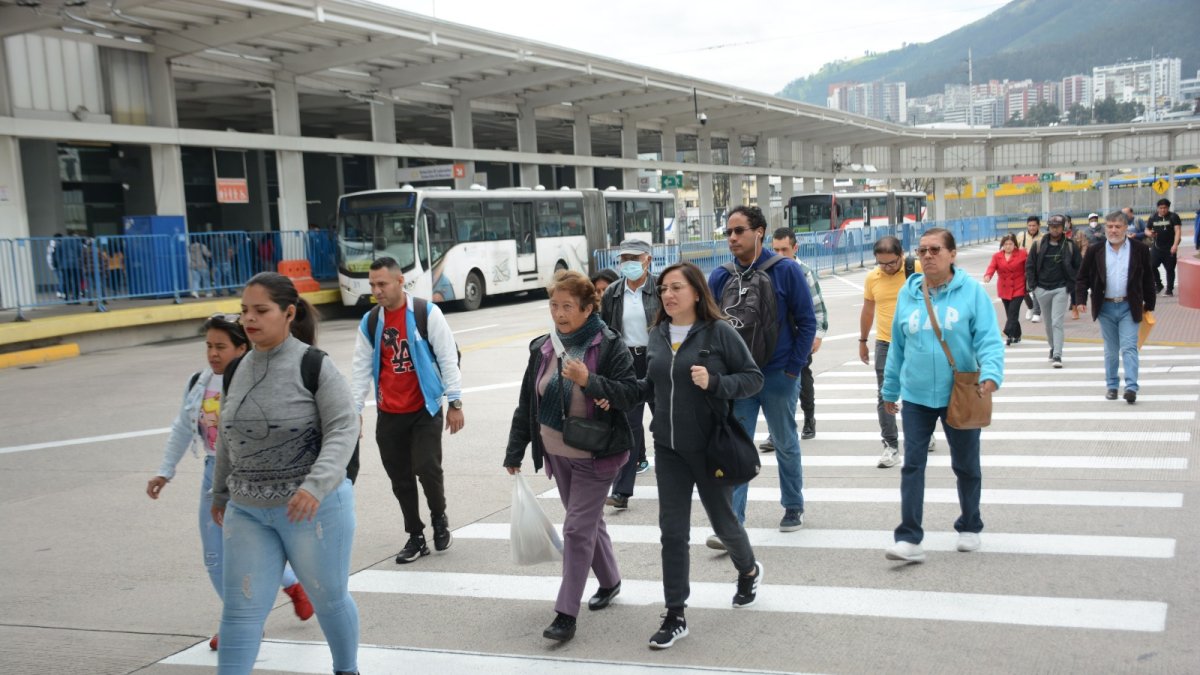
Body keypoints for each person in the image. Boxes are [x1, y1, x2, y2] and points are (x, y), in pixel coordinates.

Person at [211, 272, 360, 675]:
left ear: (289, 313)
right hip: (247, 511)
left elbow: (345, 427)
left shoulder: (314, 365)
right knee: (240, 612)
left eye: (261, 310)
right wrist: (219, 492)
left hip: (314, 510)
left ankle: (347, 669)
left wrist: (316, 485)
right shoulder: (235, 369)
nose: (249, 319)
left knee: (328, 598)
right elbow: (227, 435)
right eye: (244, 311)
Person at [146, 314, 313, 651]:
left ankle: (246, 622)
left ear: (242, 348)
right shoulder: (199, 382)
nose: (213, 353)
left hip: (255, 475)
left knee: (258, 550)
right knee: (215, 555)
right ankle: (261, 605)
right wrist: (165, 471)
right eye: (208, 346)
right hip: (213, 474)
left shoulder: (257, 381)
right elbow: (182, 428)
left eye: (221, 346)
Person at [503, 270, 639, 643]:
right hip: (556, 453)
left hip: (598, 455)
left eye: (567, 306)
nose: (559, 314)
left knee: (576, 529)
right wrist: (515, 450)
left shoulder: (608, 345)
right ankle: (610, 581)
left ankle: (566, 613)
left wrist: (587, 380)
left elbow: (630, 393)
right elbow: (527, 403)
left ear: (585, 308)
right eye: (554, 305)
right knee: (589, 523)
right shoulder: (543, 347)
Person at [638, 261, 764, 649]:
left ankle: (747, 569)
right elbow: (653, 385)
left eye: (676, 287)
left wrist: (716, 382)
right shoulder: (657, 334)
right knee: (672, 533)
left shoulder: (719, 332)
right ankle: (675, 613)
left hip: (710, 448)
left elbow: (753, 377)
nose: (669, 295)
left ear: (696, 292)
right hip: (669, 449)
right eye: (663, 289)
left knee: (724, 523)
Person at [881, 228, 1005, 564]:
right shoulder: (909, 295)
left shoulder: (971, 293)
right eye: (922, 251)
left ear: (952, 254)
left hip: (960, 393)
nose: (928, 256)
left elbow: (989, 339)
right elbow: (898, 346)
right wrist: (889, 389)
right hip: (917, 396)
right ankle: (909, 537)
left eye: (935, 250)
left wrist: (992, 374)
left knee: (966, 465)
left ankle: (969, 525)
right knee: (912, 465)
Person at [709, 206, 816, 534]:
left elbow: (807, 321)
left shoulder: (785, 270)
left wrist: (793, 369)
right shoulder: (720, 276)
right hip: (738, 379)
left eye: (739, 230)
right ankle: (732, 521)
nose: (732, 238)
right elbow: (710, 327)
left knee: (784, 441)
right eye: (728, 232)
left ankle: (793, 506)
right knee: (736, 448)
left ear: (760, 232)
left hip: (777, 375)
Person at [350, 257, 464, 565]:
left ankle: (439, 518)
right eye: (372, 285)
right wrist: (354, 409)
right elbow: (360, 368)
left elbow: (447, 357)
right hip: (389, 413)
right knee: (400, 478)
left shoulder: (427, 313)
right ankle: (415, 536)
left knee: (427, 467)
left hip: (424, 408)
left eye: (382, 284)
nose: (376, 290)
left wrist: (454, 402)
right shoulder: (371, 321)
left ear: (401, 282)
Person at [599, 239, 660, 510]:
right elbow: (605, 333)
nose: (628, 263)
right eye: (624, 258)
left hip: (657, 361)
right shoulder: (612, 293)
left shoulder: (661, 288)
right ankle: (621, 491)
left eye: (634, 257)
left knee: (668, 422)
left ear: (647, 258)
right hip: (627, 365)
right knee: (629, 427)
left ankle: (687, 476)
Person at [860, 236, 930, 469]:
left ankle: (925, 430)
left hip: (916, 340)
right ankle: (890, 445)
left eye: (891, 263)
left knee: (918, 390)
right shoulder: (873, 278)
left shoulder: (917, 269)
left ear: (901, 255)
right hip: (885, 343)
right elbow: (868, 310)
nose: (887, 268)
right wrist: (862, 340)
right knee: (884, 394)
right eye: (882, 264)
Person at [1075, 211, 1156, 404]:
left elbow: (1148, 278)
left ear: (1125, 228)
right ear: (1105, 228)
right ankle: (1112, 386)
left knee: (1129, 347)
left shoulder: (1140, 249)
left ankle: (1131, 387)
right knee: (1111, 350)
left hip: (1130, 305)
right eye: (1110, 226)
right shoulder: (1095, 251)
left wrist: (1150, 303)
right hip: (1106, 307)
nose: (1113, 230)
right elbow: (1082, 277)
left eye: (1117, 226)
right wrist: (1080, 300)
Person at [760, 227, 828, 449]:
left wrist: (816, 337)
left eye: (785, 249)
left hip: (800, 338)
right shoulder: (766, 271)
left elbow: (819, 308)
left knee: (802, 378)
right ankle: (774, 432)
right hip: (774, 340)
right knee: (773, 388)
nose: (780, 254)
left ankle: (809, 418)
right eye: (775, 249)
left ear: (795, 248)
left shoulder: (804, 272)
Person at [1025, 214, 1079, 368]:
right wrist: (1033, 286)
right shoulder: (1038, 245)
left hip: (1061, 289)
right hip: (1041, 289)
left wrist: (1071, 285)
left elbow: (1078, 266)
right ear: (1048, 227)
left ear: (1064, 228)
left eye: (1058, 226)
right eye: (1052, 226)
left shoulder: (1069, 245)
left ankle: (1057, 355)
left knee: (1057, 322)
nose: (1055, 229)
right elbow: (1029, 266)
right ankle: (1053, 346)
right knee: (1048, 324)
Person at [984, 234, 1028, 346]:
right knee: (1010, 313)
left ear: (1015, 244)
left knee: (1013, 311)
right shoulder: (997, 256)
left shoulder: (1022, 254)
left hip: (1019, 286)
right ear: (1002, 245)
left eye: (1010, 244)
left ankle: (1009, 334)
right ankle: (1017, 334)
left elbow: (1029, 267)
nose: (1008, 246)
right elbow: (992, 267)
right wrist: (988, 275)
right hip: (1004, 288)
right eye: (1006, 244)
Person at [1146, 198, 1182, 296]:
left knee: (1170, 269)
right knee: (1150, 266)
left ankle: (1169, 290)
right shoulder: (1153, 217)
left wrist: (1175, 245)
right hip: (1157, 247)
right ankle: (1159, 284)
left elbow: (1178, 231)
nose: (1163, 210)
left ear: (1168, 208)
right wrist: (1150, 233)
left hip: (1169, 248)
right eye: (1161, 208)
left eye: (1165, 208)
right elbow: (1147, 229)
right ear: (1158, 208)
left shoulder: (1173, 217)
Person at [1017, 216, 1043, 322]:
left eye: (1034, 225)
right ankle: (1030, 307)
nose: (1032, 228)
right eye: (1030, 225)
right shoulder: (1021, 236)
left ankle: (1037, 312)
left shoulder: (1043, 237)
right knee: (1023, 290)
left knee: (1035, 289)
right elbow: (1014, 250)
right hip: (1022, 267)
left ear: (1038, 226)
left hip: (1037, 268)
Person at [1071, 225, 1092, 320]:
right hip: (1061, 264)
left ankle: (1075, 308)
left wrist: (1080, 259)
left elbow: (1084, 246)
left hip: (1075, 264)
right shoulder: (1057, 235)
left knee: (1074, 285)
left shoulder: (1078, 233)